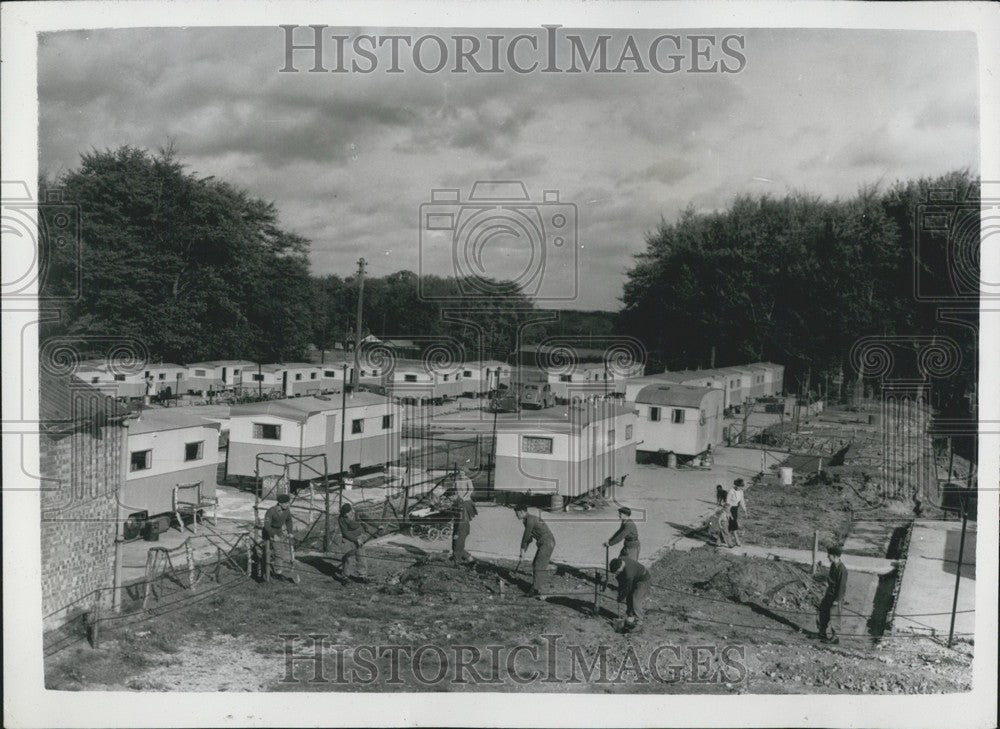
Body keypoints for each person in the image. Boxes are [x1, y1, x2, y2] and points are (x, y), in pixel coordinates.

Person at [514, 505, 556, 598]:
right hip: (544, 543)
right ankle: (536, 587)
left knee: (539, 565)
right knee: (535, 564)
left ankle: (536, 590)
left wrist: (522, 551)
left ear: (522, 511)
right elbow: (529, 539)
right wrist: (523, 552)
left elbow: (525, 537)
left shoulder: (530, 520)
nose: (516, 515)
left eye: (517, 513)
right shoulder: (527, 520)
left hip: (547, 543)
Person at [817, 545, 848, 644]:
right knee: (823, 612)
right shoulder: (833, 566)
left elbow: (842, 587)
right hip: (829, 594)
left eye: (829, 555)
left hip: (836, 597)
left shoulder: (842, 570)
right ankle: (822, 632)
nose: (828, 557)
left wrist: (837, 600)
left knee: (835, 617)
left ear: (834, 556)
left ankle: (835, 637)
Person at [609, 557, 651, 629]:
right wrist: (620, 591)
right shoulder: (621, 560)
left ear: (620, 566)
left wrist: (621, 597)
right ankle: (630, 616)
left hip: (643, 580)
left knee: (635, 599)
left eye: (617, 571)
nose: (617, 573)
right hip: (635, 578)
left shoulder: (629, 572)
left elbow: (627, 588)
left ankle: (639, 619)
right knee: (629, 597)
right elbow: (621, 580)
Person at [338, 502, 376, 580]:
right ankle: (345, 576)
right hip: (348, 539)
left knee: (361, 555)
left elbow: (368, 519)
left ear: (351, 511)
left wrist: (377, 525)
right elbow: (345, 532)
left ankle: (362, 575)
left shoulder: (357, 513)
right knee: (348, 557)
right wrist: (355, 540)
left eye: (346, 513)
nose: (345, 515)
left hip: (359, 536)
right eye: (344, 514)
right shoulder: (341, 518)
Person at [261, 493, 295, 579]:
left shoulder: (286, 510)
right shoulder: (271, 511)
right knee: (277, 553)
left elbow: (289, 520)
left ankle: (273, 569)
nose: (288, 505)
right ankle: (277, 572)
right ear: (280, 503)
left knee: (281, 552)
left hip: (279, 532)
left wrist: (290, 531)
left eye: (288, 503)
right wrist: (273, 535)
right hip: (269, 532)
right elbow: (267, 526)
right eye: (286, 503)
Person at [451, 495, 478, 565]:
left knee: (457, 548)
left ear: (454, 496)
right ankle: (471, 561)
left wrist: (456, 533)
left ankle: (458, 564)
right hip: (463, 529)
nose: (449, 499)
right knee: (458, 547)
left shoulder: (459, 506)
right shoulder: (460, 503)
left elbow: (461, 522)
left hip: (461, 530)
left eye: (450, 497)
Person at [726, 478, 749, 546]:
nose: (740, 488)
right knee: (734, 524)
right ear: (736, 485)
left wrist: (745, 511)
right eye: (739, 486)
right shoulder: (731, 491)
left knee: (731, 525)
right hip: (729, 509)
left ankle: (723, 538)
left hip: (735, 509)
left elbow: (742, 501)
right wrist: (728, 512)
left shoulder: (741, 492)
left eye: (741, 487)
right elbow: (727, 502)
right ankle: (737, 540)